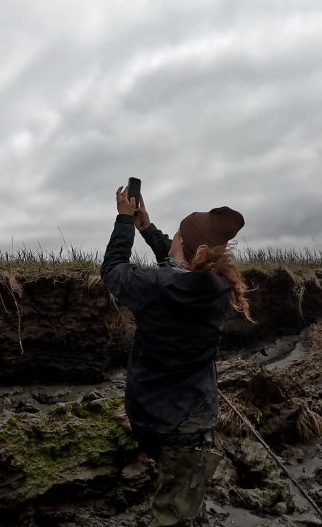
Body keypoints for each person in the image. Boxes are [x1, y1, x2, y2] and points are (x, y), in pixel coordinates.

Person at [101, 186, 251, 527]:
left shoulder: (155, 287)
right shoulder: (218, 288)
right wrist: (147, 229)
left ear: (181, 241)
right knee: (180, 508)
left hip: (150, 418)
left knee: (174, 516)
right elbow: (179, 268)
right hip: (193, 422)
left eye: (176, 234)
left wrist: (124, 219)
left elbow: (112, 269)